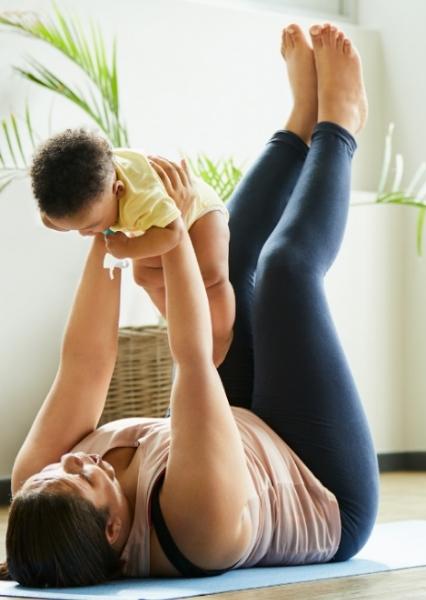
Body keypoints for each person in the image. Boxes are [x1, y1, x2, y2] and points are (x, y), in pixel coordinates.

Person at [0, 22, 378, 587]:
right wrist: (170, 228)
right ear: (113, 531)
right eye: (79, 478)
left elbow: (86, 362)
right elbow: (192, 358)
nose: (70, 461)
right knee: (284, 273)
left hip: (241, 422)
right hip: (316, 474)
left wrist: (109, 222)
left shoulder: (39, 483)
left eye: (55, 472)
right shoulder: (195, 525)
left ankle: (299, 121)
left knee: (232, 258)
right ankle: (340, 125)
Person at [31, 129, 234, 366]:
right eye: (77, 228)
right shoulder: (91, 182)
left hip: (198, 214)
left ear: (118, 190)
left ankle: (222, 335)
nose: (86, 233)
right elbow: (50, 217)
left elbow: (173, 233)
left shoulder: (141, 198)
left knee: (209, 275)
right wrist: (56, 222)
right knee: (144, 275)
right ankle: (183, 325)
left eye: (92, 225)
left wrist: (127, 246)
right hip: (155, 223)